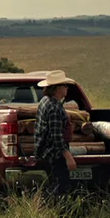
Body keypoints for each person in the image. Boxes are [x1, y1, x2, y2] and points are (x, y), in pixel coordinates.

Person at [34, 70, 77, 200]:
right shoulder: (54, 107)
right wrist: (69, 157)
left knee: (54, 184)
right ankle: (59, 214)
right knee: (60, 186)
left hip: (46, 151)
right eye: (65, 85)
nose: (67, 88)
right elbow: (56, 137)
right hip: (54, 154)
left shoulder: (45, 101)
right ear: (58, 89)